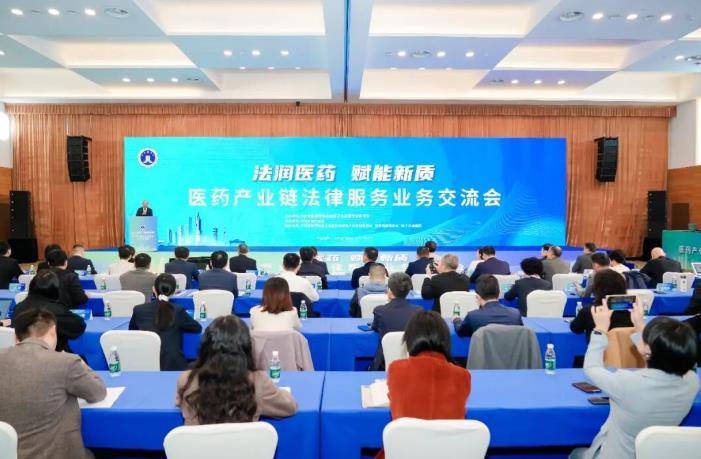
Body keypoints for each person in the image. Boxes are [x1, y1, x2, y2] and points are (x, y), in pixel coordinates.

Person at [569, 305, 698, 459]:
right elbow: (653, 354)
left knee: (575, 454)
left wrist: (600, 330)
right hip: (657, 454)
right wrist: (639, 325)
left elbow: (591, 368)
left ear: (647, 349)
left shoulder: (627, 382)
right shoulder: (692, 382)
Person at [0, 307, 106, 459]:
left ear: (16, 338)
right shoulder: (65, 362)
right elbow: (98, 392)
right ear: (52, 332)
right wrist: (82, 365)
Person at [175, 315, 297, 425]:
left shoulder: (186, 379)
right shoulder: (258, 382)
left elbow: (179, 402)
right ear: (246, 349)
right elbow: (290, 406)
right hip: (244, 444)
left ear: (205, 348)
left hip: (198, 444)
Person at [381, 310, 470, 459]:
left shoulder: (396, 369)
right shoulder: (463, 375)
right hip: (449, 452)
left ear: (410, 339)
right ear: (446, 340)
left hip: (405, 451)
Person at [129, 273, 202, 371]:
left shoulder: (139, 310)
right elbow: (197, 328)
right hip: (173, 366)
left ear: (153, 289)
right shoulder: (178, 310)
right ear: (174, 291)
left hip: (144, 363)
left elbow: (132, 331)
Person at [12, 270, 86, 353]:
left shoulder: (18, 307)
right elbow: (79, 326)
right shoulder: (54, 311)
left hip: (20, 355)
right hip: (51, 357)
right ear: (55, 290)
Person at [370, 273, 422, 370]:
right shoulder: (418, 311)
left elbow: (375, 327)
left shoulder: (380, 310)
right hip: (413, 362)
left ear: (389, 291)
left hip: (384, 363)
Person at [570, 268, 633, 342]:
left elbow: (576, 329)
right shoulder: (631, 310)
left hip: (597, 348)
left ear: (597, 288)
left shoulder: (589, 311)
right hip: (625, 348)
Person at [453, 275, 523, 337]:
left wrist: (456, 319)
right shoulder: (515, 314)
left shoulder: (472, 316)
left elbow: (460, 332)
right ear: (499, 294)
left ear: (477, 297)